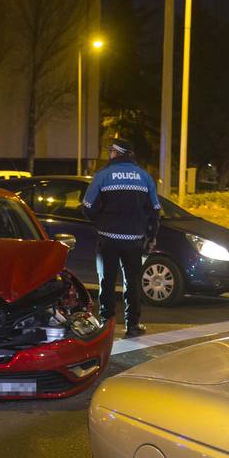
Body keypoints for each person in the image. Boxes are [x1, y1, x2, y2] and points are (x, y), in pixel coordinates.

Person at [81, 138, 160, 338]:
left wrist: (100, 223)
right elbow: (155, 210)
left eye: (111, 150)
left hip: (108, 238)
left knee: (106, 281)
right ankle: (132, 325)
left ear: (117, 152)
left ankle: (107, 325)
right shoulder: (144, 177)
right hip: (134, 239)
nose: (109, 153)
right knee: (132, 282)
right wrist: (150, 236)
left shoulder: (103, 176)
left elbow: (88, 207)